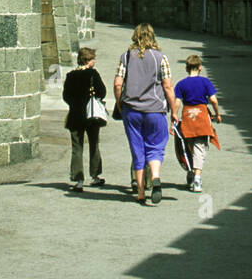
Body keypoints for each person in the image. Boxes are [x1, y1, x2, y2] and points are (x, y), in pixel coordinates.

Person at [114, 23, 176, 204]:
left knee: (137, 148)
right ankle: (155, 177)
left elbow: (118, 84)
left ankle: (140, 191)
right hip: (155, 109)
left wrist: (119, 103)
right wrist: (173, 110)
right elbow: (167, 86)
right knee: (155, 146)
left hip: (131, 109)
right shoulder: (160, 58)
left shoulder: (126, 57)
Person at [173, 54, 221, 193]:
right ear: (200, 67)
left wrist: (174, 115)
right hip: (201, 116)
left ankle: (192, 174)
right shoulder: (205, 82)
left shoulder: (181, 84)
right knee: (200, 149)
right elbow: (213, 100)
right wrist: (217, 114)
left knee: (190, 147)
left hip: (188, 116)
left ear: (186, 68)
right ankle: (197, 179)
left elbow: (177, 102)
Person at [62, 46, 107, 191]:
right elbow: (102, 92)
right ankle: (95, 176)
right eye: (93, 59)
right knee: (94, 144)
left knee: (77, 147)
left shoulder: (70, 75)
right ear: (89, 60)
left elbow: (66, 96)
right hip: (91, 115)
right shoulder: (92, 74)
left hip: (75, 115)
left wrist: (75, 104)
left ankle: (78, 179)